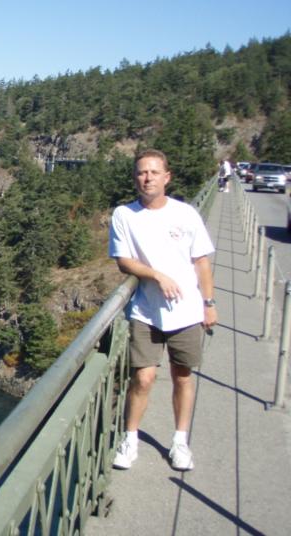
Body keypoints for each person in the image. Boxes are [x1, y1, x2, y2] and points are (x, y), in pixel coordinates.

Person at [108, 149, 217, 471]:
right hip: (146, 311)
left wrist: (209, 304)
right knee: (143, 378)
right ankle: (130, 440)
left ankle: (180, 441)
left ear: (166, 177)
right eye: (142, 172)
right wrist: (156, 275)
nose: (148, 178)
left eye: (154, 172)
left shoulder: (186, 214)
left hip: (187, 312)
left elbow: (201, 261)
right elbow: (123, 260)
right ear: (135, 178)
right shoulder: (124, 215)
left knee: (183, 377)